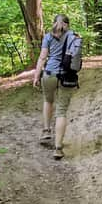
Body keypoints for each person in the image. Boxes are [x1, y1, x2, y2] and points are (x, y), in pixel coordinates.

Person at [32, 14, 79, 160]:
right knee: (62, 111)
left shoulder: (48, 37)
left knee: (48, 101)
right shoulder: (74, 36)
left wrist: (36, 76)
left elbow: (42, 57)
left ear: (54, 23)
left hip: (49, 73)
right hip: (67, 75)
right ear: (68, 24)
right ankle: (58, 148)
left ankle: (46, 130)